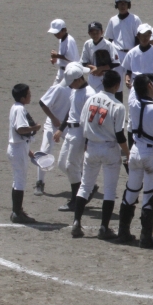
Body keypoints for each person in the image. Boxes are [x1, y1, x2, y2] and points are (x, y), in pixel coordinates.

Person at [70, 70, 130, 239]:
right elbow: (119, 135)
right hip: (109, 148)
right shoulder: (118, 106)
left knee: (85, 186)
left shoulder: (91, 99)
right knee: (110, 190)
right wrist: (127, 153)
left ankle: (76, 222)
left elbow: (83, 123)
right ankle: (104, 227)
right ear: (117, 85)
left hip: (91, 146)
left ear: (103, 82)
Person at [118, 74, 153, 248]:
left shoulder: (133, 104)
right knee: (149, 195)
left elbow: (137, 86)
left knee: (131, 191)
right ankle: (145, 238)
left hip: (135, 151)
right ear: (149, 86)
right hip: (152, 154)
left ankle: (123, 232)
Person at [54, 63, 97, 212]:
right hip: (70, 131)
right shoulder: (75, 90)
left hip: (80, 132)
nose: (69, 85)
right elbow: (71, 110)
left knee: (72, 165)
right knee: (62, 164)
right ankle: (87, 188)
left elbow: (90, 120)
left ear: (79, 79)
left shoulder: (89, 94)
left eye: (71, 82)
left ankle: (76, 200)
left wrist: (87, 140)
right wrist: (61, 129)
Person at [8, 84, 42, 223]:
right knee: (19, 182)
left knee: (17, 180)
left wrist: (28, 151)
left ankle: (17, 211)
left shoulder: (15, 107)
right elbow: (21, 129)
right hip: (18, 148)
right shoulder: (20, 109)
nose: (30, 95)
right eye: (28, 94)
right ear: (22, 97)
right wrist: (35, 128)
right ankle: (17, 213)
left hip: (17, 147)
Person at [33, 75, 71, 196]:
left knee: (75, 153)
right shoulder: (58, 88)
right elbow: (42, 103)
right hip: (52, 124)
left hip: (67, 125)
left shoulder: (79, 90)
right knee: (45, 151)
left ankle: (81, 181)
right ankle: (40, 182)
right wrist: (53, 118)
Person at [80, 21, 121, 95]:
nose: (95, 35)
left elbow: (116, 63)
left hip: (105, 78)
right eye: (92, 33)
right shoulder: (87, 44)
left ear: (102, 32)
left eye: (97, 32)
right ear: (89, 33)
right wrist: (94, 68)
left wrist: (100, 69)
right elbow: (83, 62)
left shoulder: (108, 45)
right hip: (92, 78)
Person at [105, 0, 141, 68]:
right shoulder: (112, 20)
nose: (123, 6)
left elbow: (138, 39)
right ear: (117, 5)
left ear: (128, 5)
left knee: (131, 75)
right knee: (117, 75)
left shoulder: (135, 19)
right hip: (117, 53)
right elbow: (110, 39)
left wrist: (136, 53)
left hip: (131, 52)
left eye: (125, 3)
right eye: (120, 3)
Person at [47, 18, 79, 85]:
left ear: (64, 30)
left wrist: (57, 55)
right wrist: (56, 59)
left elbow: (71, 58)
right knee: (54, 90)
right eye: (54, 33)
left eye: (57, 33)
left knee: (55, 90)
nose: (56, 35)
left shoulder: (69, 40)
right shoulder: (61, 39)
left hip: (69, 73)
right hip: (62, 72)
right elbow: (64, 55)